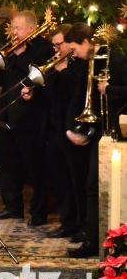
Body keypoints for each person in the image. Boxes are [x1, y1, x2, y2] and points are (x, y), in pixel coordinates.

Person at [0, 11, 53, 225]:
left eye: (18, 28)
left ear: (32, 29)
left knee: (34, 166)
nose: (14, 32)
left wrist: (21, 54)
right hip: (8, 113)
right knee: (8, 162)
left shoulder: (44, 48)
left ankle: (38, 212)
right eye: (13, 27)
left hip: (32, 116)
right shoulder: (12, 50)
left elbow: (40, 76)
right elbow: (8, 78)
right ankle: (12, 207)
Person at [64, 22, 127, 257]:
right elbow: (80, 96)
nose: (74, 54)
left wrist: (109, 90)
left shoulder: (117, 59)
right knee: (92, 185)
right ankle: (92, 238)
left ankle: (104, 240)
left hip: (118, 131)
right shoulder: (87, 63)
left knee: (103, 187)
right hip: (99, 131)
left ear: (86, 43)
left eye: (74, 49)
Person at [22, 24, 84, 238]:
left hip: (72, 129)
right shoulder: (55, 64)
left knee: (74, 179)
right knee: (59, 179)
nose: (56, 49)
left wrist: (63, 70)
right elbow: (49, 95)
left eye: (59, 44)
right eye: (54, 45)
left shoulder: (78, 65)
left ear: (69, 43)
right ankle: (67, 223)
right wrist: (32, 93)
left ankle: (80, 224)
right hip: (52, 129)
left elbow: (75, 93)